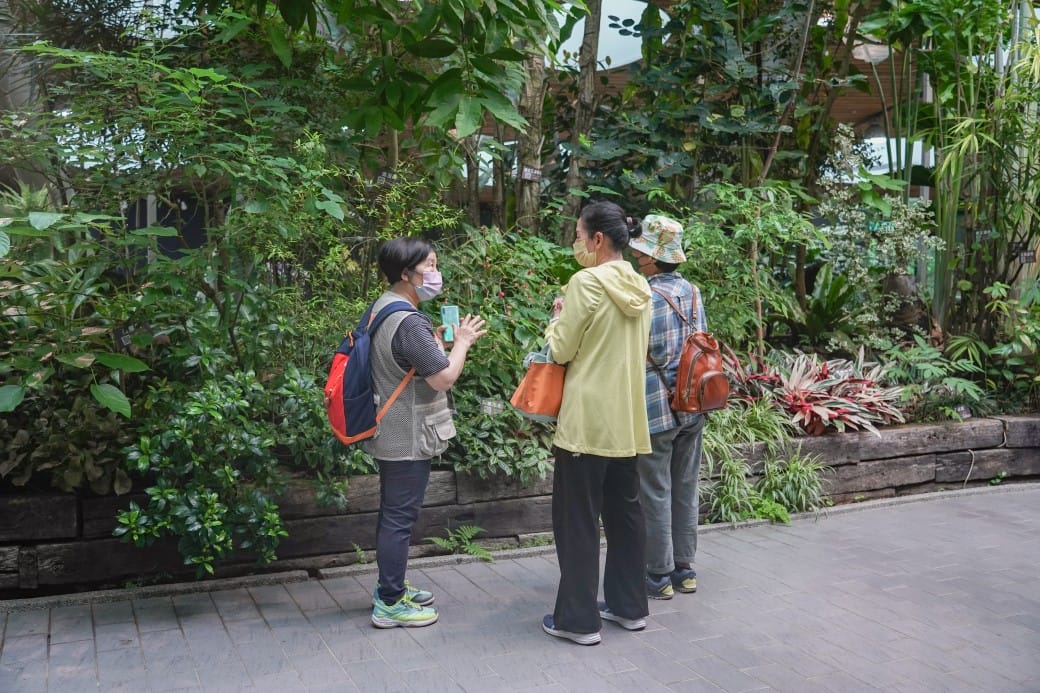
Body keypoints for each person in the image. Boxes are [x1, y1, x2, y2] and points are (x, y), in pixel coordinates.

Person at [540, 201, 653, 646]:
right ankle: (629, 608)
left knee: (578, 521)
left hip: (587, 421)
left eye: (579, 235)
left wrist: (555, 320)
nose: (577, 243)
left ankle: (578, 621)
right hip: (626, 419)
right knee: (626, 515)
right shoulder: (641, 286)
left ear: (598, 240)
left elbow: (563, 350)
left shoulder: (585, 282)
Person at [364, 236, 487, 628]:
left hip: (390, 426)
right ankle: (390, 603)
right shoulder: (409, 321)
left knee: (392, 514)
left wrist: (436, 343)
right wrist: (463, 343)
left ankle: (391, 585)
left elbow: (405, 360)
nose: (435, 273)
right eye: (429, 267)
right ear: (406, 273)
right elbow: (444, 378)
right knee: (400, 518)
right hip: (407, 432)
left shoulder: (385, 306)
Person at [628, 214, 708, 600]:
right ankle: (685, 569)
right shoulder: (693, 292)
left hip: (657, 406)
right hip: (694, 401)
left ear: (650, 259)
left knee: (655, 488)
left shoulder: (644, 295)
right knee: (685, 485)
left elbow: (636, 352)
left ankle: (658, 576)